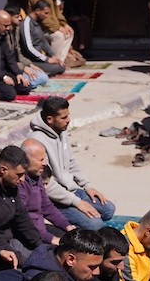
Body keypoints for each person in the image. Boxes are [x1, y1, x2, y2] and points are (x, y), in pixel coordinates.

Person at [28, 96, 115, 230]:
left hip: (71, 191)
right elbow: (46, 184)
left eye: (68, 116)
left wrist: (87, 186)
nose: (68, 120)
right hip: (54, 200)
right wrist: (77, 202)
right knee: (95, 224)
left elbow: (71, 161)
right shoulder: (36, 144)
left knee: (108, 209)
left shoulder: (61, 131)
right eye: (64, 117)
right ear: (50, 119)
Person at [19, 0, 66, 76]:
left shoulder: (38, 23)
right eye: (45, 13)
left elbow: (43, 41)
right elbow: (29, 48)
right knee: (56, 68)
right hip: (30, 60)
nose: (47, 16)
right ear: (37, 11)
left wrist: (53, 56)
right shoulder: (27, 24)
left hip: (39, 59)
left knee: (61, 66)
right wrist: (46, 59)